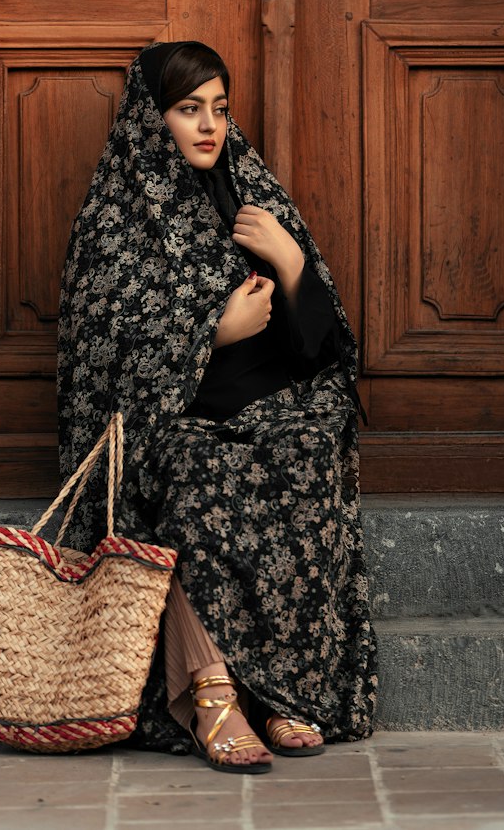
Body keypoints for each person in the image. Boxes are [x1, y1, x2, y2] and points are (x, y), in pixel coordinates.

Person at [57, 41, 377, 772]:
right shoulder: (115, 220)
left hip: (271, 399)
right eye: (187, 109)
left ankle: (282, 684)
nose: (208, 126)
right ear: (150, 119)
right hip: (176, 418)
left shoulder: (249, 192)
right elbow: (100, 358)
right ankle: (212, 691)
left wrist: (291, 263)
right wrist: (209, 332)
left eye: (219, 109)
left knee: (302, 443)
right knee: (196, 469)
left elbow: (318, 350)